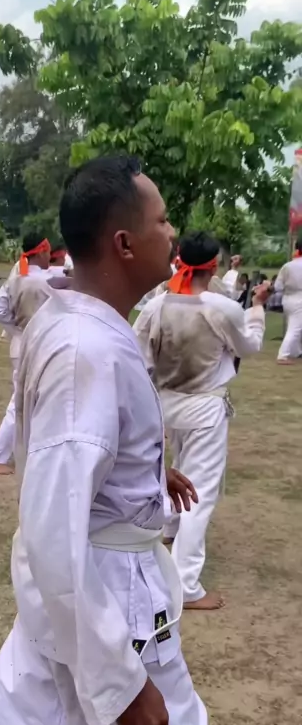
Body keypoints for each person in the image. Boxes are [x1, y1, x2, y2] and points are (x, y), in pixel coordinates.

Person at [0, 156, 224, 725]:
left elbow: (80, 456)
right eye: (162, 220)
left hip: (66, 605)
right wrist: (121, 681)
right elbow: (55, 524)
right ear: (125, 243)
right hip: (107, 602)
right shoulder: (88, 349)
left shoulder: (73, 321)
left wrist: (144, 471)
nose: (173, 232)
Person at [134, 231, 269, 610]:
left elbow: (138, 358)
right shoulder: (221, 307)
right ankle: (186, 584)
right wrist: (257, 309)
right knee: (200, 491)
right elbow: (249, 347)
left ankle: (169, 527)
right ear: (214, 265)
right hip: (204, 407)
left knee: (177, 471)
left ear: (180, 259)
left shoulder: (155, 306)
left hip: (164, 404)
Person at [0, 233, 52, 475]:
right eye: (47, 251)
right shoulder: (49, 281)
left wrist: (17, 330)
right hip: (39, 345)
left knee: (30, 400)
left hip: (21, 344)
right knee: (21, 402)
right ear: (41, 251)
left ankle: (29, 450)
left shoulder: (16, 279)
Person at [274, 239, 302, 364]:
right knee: (295, 328)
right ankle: (283, 355)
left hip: (287, 298)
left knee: (294, 325)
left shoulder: (288, 265)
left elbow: (278, 286)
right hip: (300, 298)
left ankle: (296, 351)